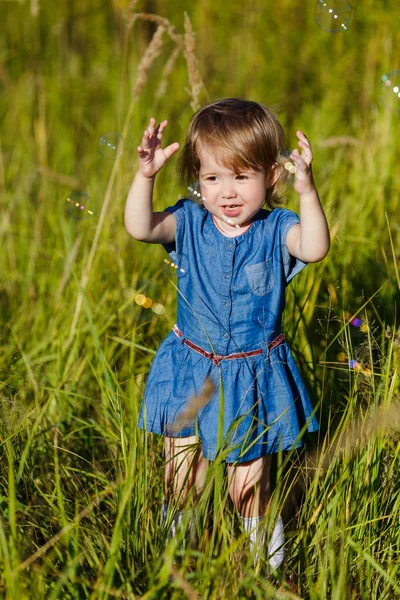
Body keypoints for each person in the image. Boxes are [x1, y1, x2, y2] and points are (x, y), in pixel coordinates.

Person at [124, 98, 330, 574]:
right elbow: (140, 227)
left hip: (251, 374)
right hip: (191, 368)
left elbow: (315, 248)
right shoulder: (191, 223)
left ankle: (270, 569)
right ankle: (172, 562)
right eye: (213, 178)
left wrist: (308, 191)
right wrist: (146, 176)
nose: (227, 191)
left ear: (271, 178)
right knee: (183, 477)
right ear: (197, 180)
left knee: (248, 485)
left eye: (242, 176)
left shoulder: (278, 229)